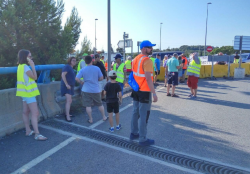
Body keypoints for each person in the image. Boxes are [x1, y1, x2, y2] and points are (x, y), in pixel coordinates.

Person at [130, 40, 158, 146]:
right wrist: (154, 93)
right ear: (143, 48)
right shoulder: (147, 60)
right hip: (145, 91)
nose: (151, 49)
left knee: (135, 112)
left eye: (151, 47)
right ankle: (142, 138)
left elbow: (134, 74)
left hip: (136, 89)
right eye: (149, 47)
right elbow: (148, 78)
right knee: (143, 114)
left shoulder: (136, 58)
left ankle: (134, 133)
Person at [16, 49, 47, 141]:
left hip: (24, 93)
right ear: (25, 57)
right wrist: (33, 66)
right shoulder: (25, 67)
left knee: (25, 112)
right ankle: (37, 134)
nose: (31, 58)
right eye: (29, 56)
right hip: (29, 93)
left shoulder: (20, 66)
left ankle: (28, 130)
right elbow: (34, 77)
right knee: (35, 113)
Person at [75, 56, 107, 123]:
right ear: (92, 60)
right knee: (100, 104)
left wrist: (81, 82)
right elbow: (101, 78)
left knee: (88, 105)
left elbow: (77, 78)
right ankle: (104, 117)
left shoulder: (83, 69)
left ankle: (91, 119)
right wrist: (96, 80)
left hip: (86, 90)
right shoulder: (96, 68)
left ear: (85, 62)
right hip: (96, 89)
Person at [61, 57, 77, 122]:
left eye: (75, 61)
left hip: (71, 86)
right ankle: (67, 116)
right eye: (73, 60)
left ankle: (68, 114)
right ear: (70, 61)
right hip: (67, 86)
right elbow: (63, 75)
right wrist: (66, 84)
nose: (74, 62)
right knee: (69, 100)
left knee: (69, 101)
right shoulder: (67, 67)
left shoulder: (71, 68)